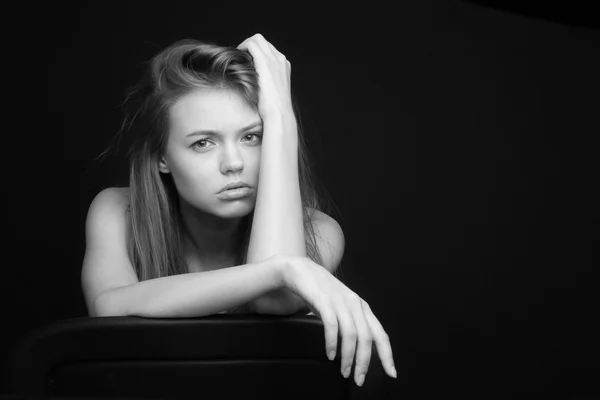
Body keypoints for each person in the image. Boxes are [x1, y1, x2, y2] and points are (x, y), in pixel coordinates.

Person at [81, 33, 396, 387]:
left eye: (252, 137)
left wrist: (280, 117)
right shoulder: (117, 211)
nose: (233, 164)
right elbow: (109, 306)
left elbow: (273, 301)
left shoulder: (319, 229)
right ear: (162, 158)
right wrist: (284, 268)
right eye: (203, 142)